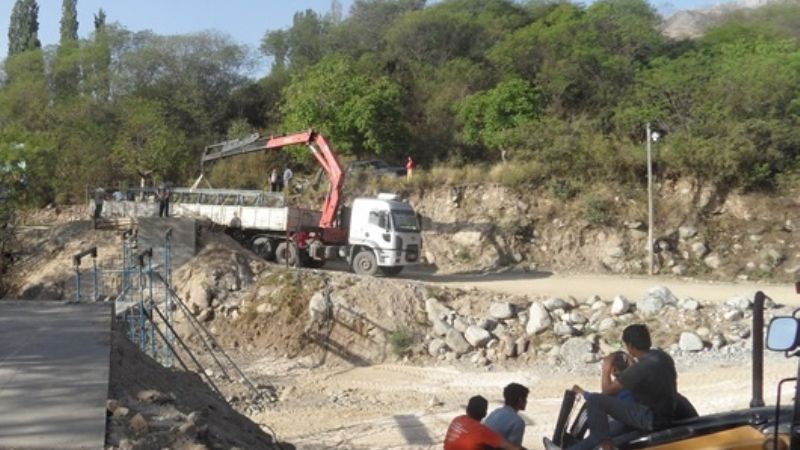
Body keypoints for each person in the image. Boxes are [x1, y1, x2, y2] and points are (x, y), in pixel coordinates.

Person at [544, 324, 678, 450]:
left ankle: (606, 446)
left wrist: (606, 367)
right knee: (612, 427)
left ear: (630, 345)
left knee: (596, 401)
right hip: (666, 415)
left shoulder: (640, 369)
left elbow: (607, 393)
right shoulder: (662, 357)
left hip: (650, 418)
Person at [545, 351, 633, 450]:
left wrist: (605, 371)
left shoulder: (623, 381)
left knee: (596, 428)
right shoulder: (628, 379)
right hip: (624, 417)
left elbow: (603, 396)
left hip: (623, 421)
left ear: (614, 369)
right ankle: (576, 442)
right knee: (591, 406)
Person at [444, 395, 527, 450]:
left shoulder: (457, 420)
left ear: (467, 409)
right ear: (484, 414)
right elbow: (512, 448)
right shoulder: (481, 431)